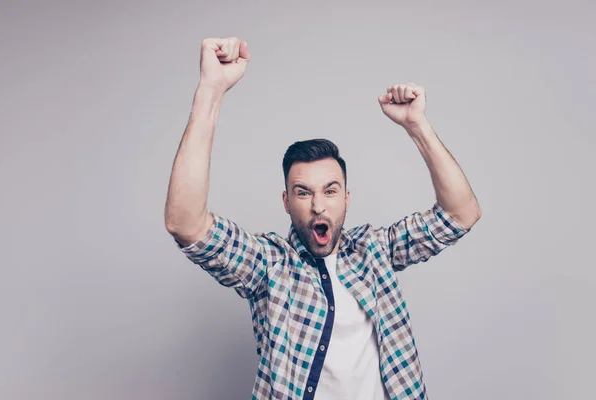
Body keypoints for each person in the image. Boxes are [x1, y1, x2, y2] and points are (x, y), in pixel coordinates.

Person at [164, 37, 481, 400]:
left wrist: (417, 126)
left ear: (346, 198)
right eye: (303, 192)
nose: (318, 206)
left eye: (330, 191)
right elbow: (184, 222)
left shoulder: (376, 251)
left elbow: (461, 213)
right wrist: (211, 90)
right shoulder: (269, 266)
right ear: (286, 201)